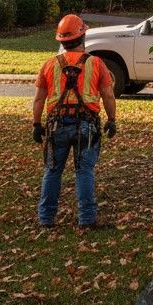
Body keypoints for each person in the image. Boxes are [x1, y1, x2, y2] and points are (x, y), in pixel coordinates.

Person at [32, 14, 117, 229]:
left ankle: (46, 219)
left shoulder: (49, 65)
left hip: (56, 125)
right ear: (83, 36)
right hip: (86, 126)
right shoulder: (96, 63)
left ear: (61, 41)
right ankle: (87, 219)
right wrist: (112, 119)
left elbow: (39, 98)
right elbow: (108, 95)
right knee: (84, 171)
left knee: (52, 171)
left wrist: (36, 124)